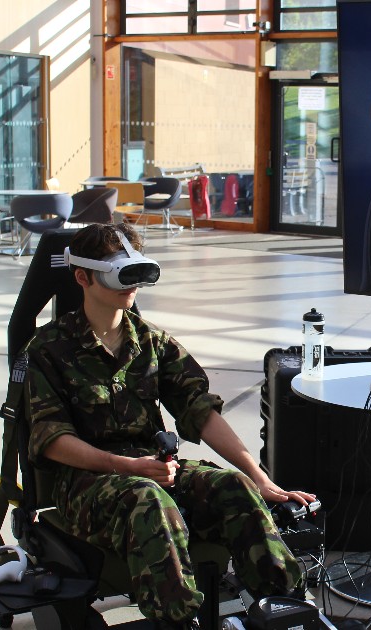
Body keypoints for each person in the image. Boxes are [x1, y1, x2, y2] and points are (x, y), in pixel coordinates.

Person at [24, 222, 315, 629]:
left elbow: (201, 412)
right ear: (83, 277)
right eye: (120, 274)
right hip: (85, 484)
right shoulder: (47, 350)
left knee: (235, 489)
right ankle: (177, 620)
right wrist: (129, 467)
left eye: (137, 273)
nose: (133, 285)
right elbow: (52, 440)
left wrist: (259, 478)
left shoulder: (151, 342)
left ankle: (287, 607)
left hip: (153, 470)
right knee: (149, 500)